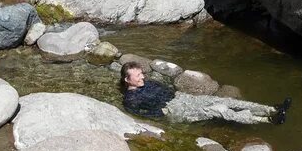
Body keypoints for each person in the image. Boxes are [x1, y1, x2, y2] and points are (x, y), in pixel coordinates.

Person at [121, 62, 291, 125]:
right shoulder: (130, 99)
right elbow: (144, 116)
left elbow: (166, 88)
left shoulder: (148, 82)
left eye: (142, 73)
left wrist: (179, 94)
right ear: (127, 80)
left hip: (181, 98)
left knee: (228, 101)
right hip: (174, 110)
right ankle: (266, 120)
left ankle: (272, 109)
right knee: (218, 109)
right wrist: (164, 115)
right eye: (138, 76)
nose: (143, 76)